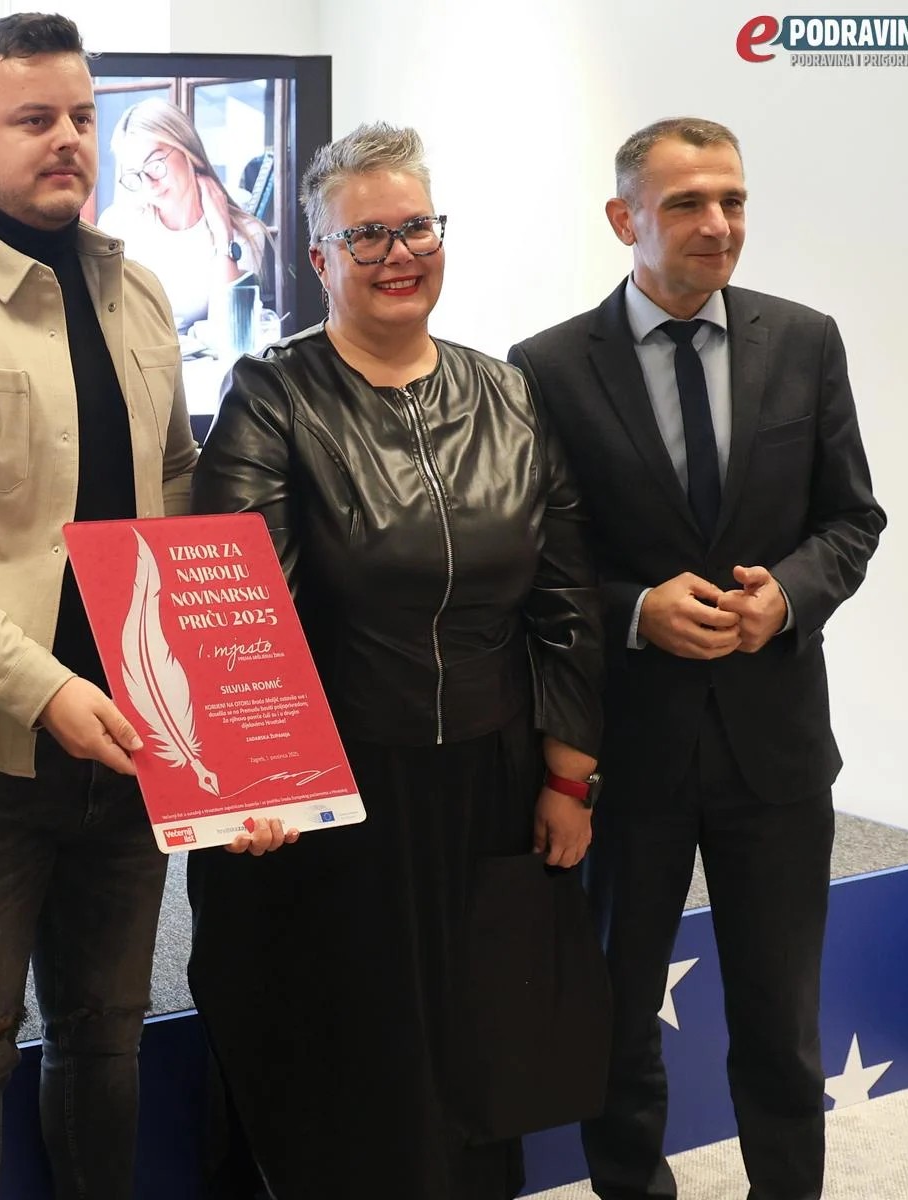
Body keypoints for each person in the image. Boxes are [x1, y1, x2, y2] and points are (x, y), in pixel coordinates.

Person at [0, 13, 286, 1198]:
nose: (68, 139)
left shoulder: (138, 292)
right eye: (33, 119)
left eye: (81, 116)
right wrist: (46, 689)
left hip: (134, 741)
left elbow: (173, 484)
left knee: (106, 1033)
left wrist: (239, 712)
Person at [187, 122, 607, 1199]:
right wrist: (255, 782)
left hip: (492, 781)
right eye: (364, 235)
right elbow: (244, 610)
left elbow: (564, 596)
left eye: (415, 227)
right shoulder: (271, 396)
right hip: (338, 794)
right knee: (352, 1062)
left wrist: (569, 775)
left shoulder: (509, 395)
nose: (396, 254)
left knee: (481, 1046)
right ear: (318, 257)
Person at [508, 117, 885, 1200]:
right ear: (623, 218)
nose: (718, 224)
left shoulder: (804, 340)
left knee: (782, 1020)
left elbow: (852, 520)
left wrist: (789, 597)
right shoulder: (545, 368)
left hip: (777, 748)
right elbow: (535, 562)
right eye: (687, 203)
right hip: (626, 751)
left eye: (733, 200)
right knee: (619, 1018)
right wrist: (635, 610)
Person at [96, 98, 272, 332]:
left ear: (187, 150)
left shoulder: (246, 232)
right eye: (135, 173)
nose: (149, 184)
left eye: (154, 164)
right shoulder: (119, 225)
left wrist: (223, 238)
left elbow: (232, 330)